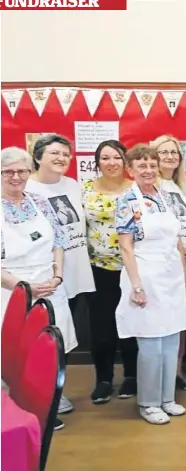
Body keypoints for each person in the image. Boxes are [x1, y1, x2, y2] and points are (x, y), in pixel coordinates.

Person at [115, 144, 186, 425]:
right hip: (144, 275)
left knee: (171, 339)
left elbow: (176, 241)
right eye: (141, 166)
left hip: (171, 274)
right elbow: (125, 248)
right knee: (151, 344)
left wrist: (185, 275)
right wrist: (136, 286)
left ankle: (167, 398)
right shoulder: (127, 201)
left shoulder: (165, 197)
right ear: (131, 170)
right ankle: (148, 403)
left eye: (151, 165)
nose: (148, 171)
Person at [0, 147, 78, 431]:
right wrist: (23, 288)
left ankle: (45, 404)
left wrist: (57, 276)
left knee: (48, 349)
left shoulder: (40, 202)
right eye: (8, 172)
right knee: (16, 352)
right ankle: (17, 411)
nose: (16, 177)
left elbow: (58, 242)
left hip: (49, 285)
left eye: (21, 171)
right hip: (11, 291)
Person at [25, 134, 96, 412]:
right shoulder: (28, 188)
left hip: (76, 270)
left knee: (64, 336)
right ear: (38, 156)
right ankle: (38, 393)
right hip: (45, 275)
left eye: (66, 154)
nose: (61, 158)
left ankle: (58, 390)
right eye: (54, 153)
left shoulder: (73, 185)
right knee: (42, 335)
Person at [82, 141, 139, 405]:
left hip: (133, 268)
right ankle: (103, 379)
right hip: (98, 268)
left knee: (132, 322)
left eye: (116, 157)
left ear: (124, 161)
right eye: (105, 158)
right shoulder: (85, 191)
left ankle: (132, 376)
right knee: (102, 325)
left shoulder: (137, 189)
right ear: (97, 162)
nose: (111, 162)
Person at [154, 135, 186, 393]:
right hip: (166, 264)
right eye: (164, 152)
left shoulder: (182, 187)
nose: (170, 156)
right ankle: (161, 373)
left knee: (182, 319)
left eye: (174, 152)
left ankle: (178, 370)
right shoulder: (153, 187)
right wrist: (178, 249)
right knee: (164, 319)